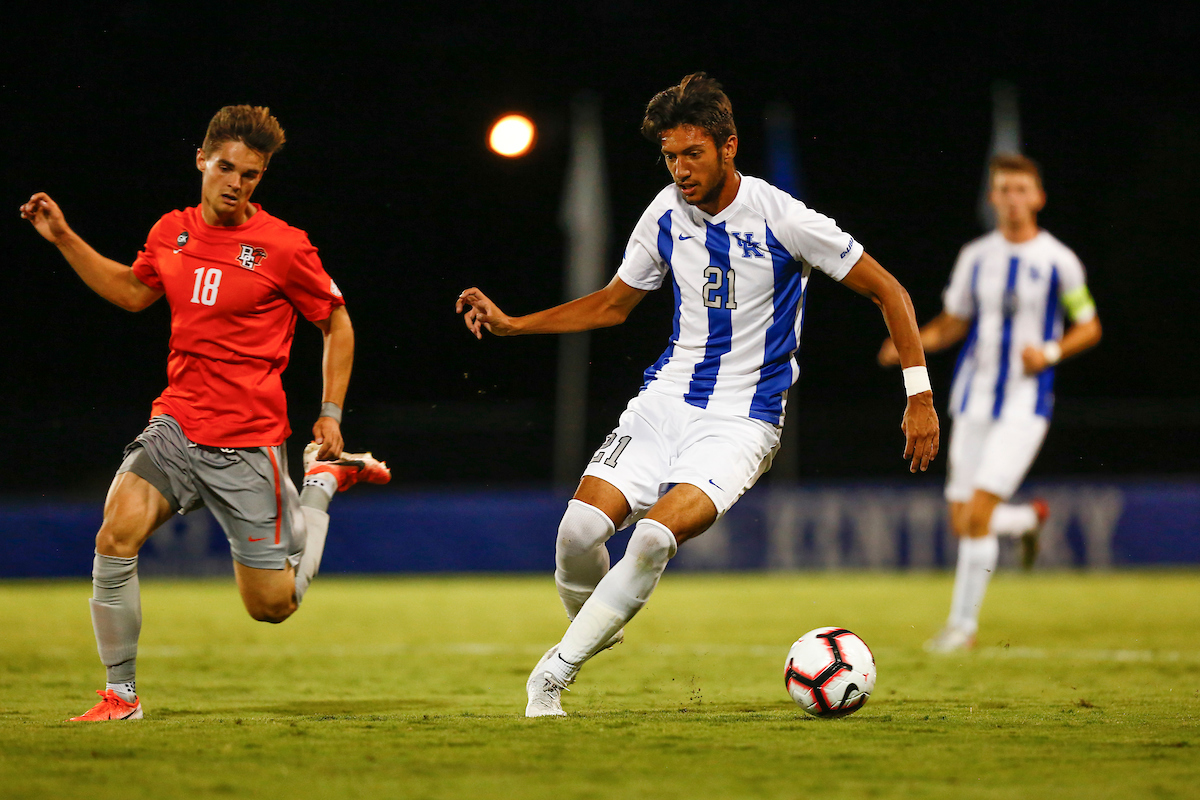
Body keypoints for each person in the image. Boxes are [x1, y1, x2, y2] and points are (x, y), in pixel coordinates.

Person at [457, 73, 940, 717]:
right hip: (665, 401)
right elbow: (613, 304)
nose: (680, 170)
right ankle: (601, 623)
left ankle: (552, 673)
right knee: (577, 534)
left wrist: (919, 396)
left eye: (693, 155)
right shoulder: (663, 213)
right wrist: (517, 324)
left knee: (653, 539)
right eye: (670, 156)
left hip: (743, 420)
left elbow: (891, 292)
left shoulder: (783, 217)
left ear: (728, 147)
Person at [20, 105, 391, 721]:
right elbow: (133, 292)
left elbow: (336, 320)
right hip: (176, 425)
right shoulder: (173, 232)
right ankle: (121, 696)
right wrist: (63, 237)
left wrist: (330, 412)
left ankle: (320, 486)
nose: (235, 183)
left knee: (271, 607)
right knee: (115, 535)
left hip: (248, 443)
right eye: (226, 167)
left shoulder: (284, 247)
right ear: (202, 159)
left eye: (251, 174)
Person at [879, 153, 1102, 652]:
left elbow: (1089, 325)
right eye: (1004, 189)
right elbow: (954, 322)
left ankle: (962, 628)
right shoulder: (976, 257)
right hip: (973, 400)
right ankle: (1025, 520)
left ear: (1038, 197)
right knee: (963, 521)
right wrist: (911, 342)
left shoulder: (1059, 261)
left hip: (1025, 405)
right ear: (993, 198)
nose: (1013, 198)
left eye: (1022, 189)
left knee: (976, 517)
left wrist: (1048, 352)